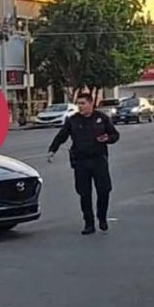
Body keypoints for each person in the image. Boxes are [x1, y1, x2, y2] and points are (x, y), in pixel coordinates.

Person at [47, 92, 119, 235]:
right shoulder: (73, 120)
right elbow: (62, 136)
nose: (80, 106)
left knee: (104, 190)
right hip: (81, 161)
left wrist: (108, 139)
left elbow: (115, 135)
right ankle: (89, 223)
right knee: (84, 193)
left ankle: (102, 217)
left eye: (83, 103)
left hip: (99, 160)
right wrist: (52, 150)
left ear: (91, 104)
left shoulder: (101, 118)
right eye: (78, 104)